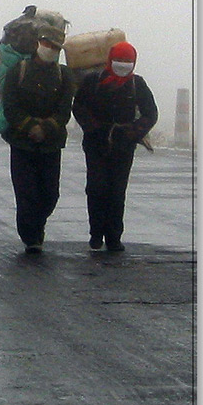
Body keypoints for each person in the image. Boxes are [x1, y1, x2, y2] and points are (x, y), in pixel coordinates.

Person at [72, 41, 158, 252]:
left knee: (117, 190)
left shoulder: (137, 84)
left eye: (128, 61)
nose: (123, 65)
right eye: (119, 60)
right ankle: (96, 233)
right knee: (96, 188)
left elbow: (151, 113)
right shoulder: (93, 80)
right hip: (95, 144)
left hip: (124, 146)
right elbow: (79, 106)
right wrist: (93, 128)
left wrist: (134, 132)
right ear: (110, 60)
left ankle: (113, 236)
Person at [1, 25, 75, 253]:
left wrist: (46, 128)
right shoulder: (18, 70)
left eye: (55, 47)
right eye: (47, 45)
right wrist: (29, 127)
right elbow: (10, 106)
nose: (49, 49)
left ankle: (37, 224)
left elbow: (64, 110)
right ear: (37, 44)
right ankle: (31, 236)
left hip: (51, 145)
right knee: (26, 192)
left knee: (50, 194)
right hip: (22, 143)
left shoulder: (64, 75)